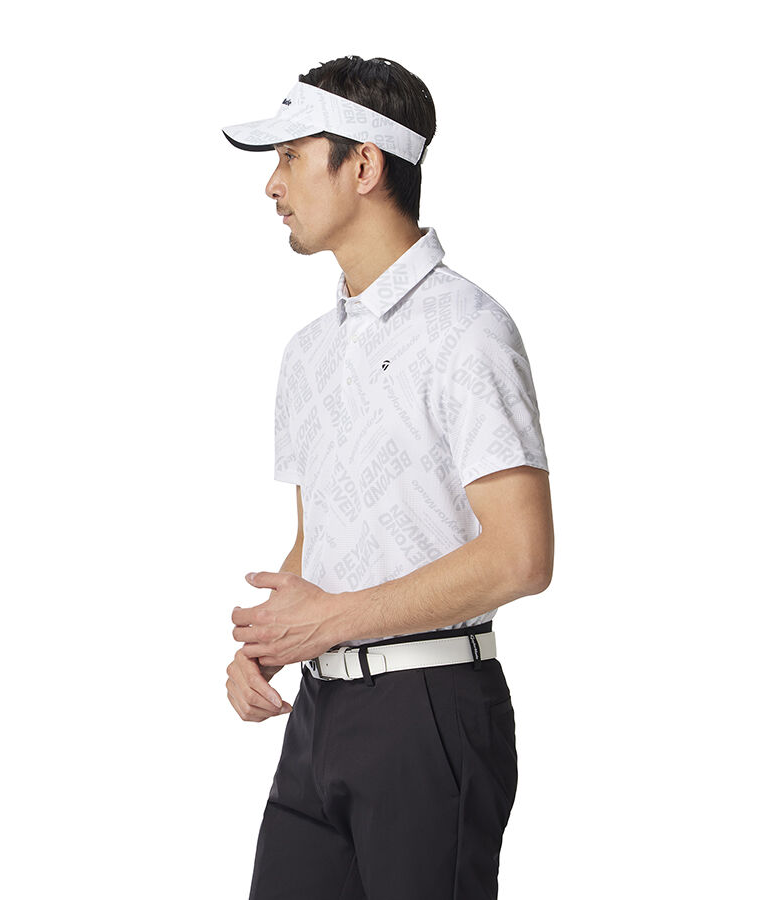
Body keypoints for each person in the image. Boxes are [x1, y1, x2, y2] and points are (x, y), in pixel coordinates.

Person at [222, 54, 555, 899]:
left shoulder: (468, 332)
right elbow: (319, 537)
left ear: (363, 165)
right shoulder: (308, 352)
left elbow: (522, 557)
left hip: (430, 712)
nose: (272, 185)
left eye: (291, 156)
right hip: (319, 716)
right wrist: (267, 646)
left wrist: (330, 620)